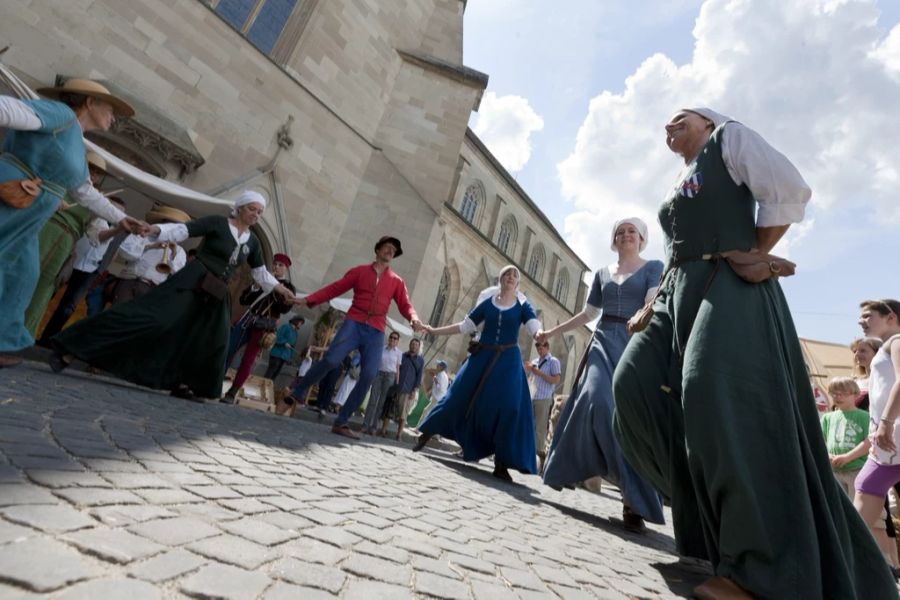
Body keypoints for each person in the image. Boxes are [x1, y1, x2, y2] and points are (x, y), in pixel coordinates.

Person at [611, 108, 894, 598]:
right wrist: (655, 298)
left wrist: (753, 251)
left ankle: (756, 570)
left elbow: (790, 190)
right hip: (676, 290)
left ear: (706, 120)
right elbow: (679, 245)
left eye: (680, 118)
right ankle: (703, 514)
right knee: (631, 384)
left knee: (712, 393)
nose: (668, 127)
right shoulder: (683, 176)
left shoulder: (729, 139)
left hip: (729, 284)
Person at [49, 190, 297, 400]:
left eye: (259, 212)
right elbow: (183, 230)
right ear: (240, 208)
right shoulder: (217, 223)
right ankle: (72, 347)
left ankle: (184, 382)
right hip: (193, 280)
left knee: (214, 339)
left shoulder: (252, 242)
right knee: (150, 319)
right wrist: (154, 229)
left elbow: (261, 272)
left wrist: (280, 288)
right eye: (252, 209)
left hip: (216, 292)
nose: (255, 214)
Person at [0, 78, 145, 368]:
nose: (114, 117)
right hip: (13, 200)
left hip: (30, 218)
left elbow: (84, 191)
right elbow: (7, 108)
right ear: (89, 102)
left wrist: (121, 218)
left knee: (24, 275)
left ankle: (3, 340)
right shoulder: (61, 114)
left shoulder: (76, 141)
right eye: (110, 108)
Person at [539, 218, 664, 533]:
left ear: (642, 239)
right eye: (620, 232)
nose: (625, 236)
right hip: (603, 340)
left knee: (629, 419)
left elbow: (652, 304)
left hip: (634, 342)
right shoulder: (603, 274)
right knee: (598, 402)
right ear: (614, 240)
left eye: (631, 232)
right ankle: (623, 483)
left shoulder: (653, 267)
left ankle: (632, 498)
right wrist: (553, 330)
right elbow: (589, 314)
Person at [284, 236, 423, 439]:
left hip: (376, 329)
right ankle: (299, 391)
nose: (390, 251)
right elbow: (335, 288)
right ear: (377, 250)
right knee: (331, 359)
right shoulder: (359, 271)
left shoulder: (396, 281)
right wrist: (307, 300)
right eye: (387, 247)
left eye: (394, 250)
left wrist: (413, 317)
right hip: (354, 322)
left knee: (368, 374)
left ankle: (341, 421)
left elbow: (405, 305)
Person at [414, 265, 543, 483]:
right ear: (500, 279)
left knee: (510, 406)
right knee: (457, 395)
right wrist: (434, 330)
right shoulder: (488, 303)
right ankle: (428, 431)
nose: (511, 277)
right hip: (482, 355)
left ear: (518, 284)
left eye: (515, 275)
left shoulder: (523, 305)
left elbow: (534, 328)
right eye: (507, 274)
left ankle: (502, 463)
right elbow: (464, 326)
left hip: (509, 359)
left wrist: (541, 333)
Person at [24, 152, 119, 337]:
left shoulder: (96, 201)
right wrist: (52, 199)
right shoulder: (60, 177)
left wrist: (119, 228)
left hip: (64, 243)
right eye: (90, 168)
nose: (94, 174)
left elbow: (96, 236)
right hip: (40, 231)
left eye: (98, 172)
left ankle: (20, 334)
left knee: (44, 286)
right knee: (19, 275)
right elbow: (30, 191)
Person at [853, 300, 900, 575]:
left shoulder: (896, 341)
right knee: (866, 485)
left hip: (891, 438)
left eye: (867, 316)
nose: (862, 321)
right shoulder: (885, 348)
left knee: (866, 485)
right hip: (887, 444)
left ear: (891, 316)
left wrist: (886, 422)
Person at [222, 253, 297, 403]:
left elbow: (284, 309)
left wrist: (276, 288)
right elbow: (244, 300)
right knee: (227, 349)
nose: (276, 267)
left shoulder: (288, 287)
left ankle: (233, 391)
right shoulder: (263, 279)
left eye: (280, 265)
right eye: (275, 264)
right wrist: (255, 286)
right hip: (248, 319)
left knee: (248, 359)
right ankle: (215, 380)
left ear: (286, 269)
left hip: (264, 325)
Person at [110, 207, 190, 305]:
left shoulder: (180, 251)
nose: (170, 229)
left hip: (152, 288)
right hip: (129, 280)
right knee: (117, 314)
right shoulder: (142, 236)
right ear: (162, 223)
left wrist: (173, 251)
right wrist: (149, 247)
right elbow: (125, 254)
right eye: (168, 225)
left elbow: (177, 273)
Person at [822, 377, 869, 496]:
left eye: (843, 393)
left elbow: (869, 442)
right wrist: (827, 455)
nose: (837, 397)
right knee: (839, 507)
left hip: (857, 469)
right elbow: (820, 441)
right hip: (834, 470)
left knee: (857, 507)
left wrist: (847, 457)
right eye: (834, 393)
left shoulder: (865, 417)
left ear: (855, 394)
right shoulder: (827, 418)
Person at [526, 338, 561, 472]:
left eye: (541, 348)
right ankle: (527, 455)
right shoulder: (535, 362)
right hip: (532, 396)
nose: (540, 351)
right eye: (538, 349)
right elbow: (532, 377)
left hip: (544, 398)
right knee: (528, 426)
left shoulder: (553, 361)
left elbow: (556, 380)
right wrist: (529, 371)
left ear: (547, 347)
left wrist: (538, 372)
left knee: (540, 430)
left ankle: (538, 463)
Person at [381, 338, 424, 439]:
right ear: (409, 345)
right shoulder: (402, 355)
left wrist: (414, 390)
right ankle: (383, 430)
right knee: (389, 411)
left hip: (408, 390)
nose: (414, 346)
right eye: (412, 344)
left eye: (416, 345)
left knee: (403, 414)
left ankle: (399, 434)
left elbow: (419, 376)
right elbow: (396, 369)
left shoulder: (420, 360)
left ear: (418, 347)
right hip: (395, 387)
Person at [361, 332, 402, 434]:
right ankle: (365, 425)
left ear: (397, 341)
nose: (392, 339)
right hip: (378, 375)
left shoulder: (398, 353)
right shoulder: (381, 349)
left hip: (390, 377)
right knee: (372, 400)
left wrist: (397, 383)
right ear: (389, 339)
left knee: (382, 403)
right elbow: (376, 362)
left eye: (395, 338)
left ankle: (374, 427)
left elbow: (397, 369)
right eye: (391, 337)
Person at [264, 315, 304, 381]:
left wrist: (290, 357)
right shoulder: (286, 326)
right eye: (300, 323)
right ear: (296, 321)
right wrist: (284, 342)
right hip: (277, 354)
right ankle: (262, 385)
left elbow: (292, 346)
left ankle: (267, 387)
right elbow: (277, 336)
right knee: (271, 372)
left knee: (276, 373)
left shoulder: (295, 333)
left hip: (285, 356)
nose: (301, 325)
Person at [417, 359, 449, 425]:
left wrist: (435, 379)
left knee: (426, 412)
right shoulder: (444, 375)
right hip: (439, 398)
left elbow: (440, 388)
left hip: (437, 399)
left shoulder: (441, 375)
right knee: (430, 413)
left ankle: (419, 428)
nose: (437, 365)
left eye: (439, 365)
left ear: (442, 367)